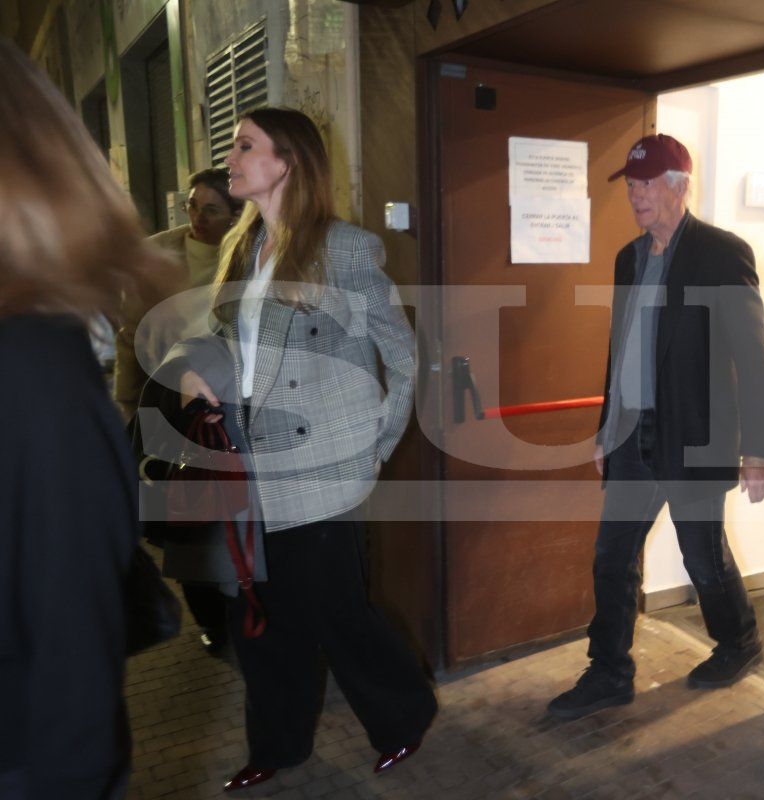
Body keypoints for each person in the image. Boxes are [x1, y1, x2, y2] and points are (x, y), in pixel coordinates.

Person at [155, 106, 437, 792]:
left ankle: (404, 714)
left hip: (325, 469)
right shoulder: (240, 248)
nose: (231, 156)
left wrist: (375, 447)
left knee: (337, 612)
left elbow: (402, 357)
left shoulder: (343, 249)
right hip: (253, 463)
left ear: (285, 162)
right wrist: (198, 369)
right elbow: (230, 344)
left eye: (244, 145)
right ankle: (278, 744)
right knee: (261, 619)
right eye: (233, 146)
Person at [548, 134, 764, 719]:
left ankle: (739, 642)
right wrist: (606, 426)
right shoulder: (629, 257)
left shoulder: (722, 253)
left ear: (680, 187)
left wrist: (758, 450)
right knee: (611, 556)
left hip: (694, 433)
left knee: (703, 557)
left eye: (646, 183)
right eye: (630, 184)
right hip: (631, 436)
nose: (635, 195)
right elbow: (618, 348)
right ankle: (609, 672)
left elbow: (753, 357)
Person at [0, 36, 172, 798]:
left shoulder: (31, 367)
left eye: (248, 145)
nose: (230, 165)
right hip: (149, 413)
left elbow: (71, 660)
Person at [116, 168, 244, 655]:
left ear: (235, 215)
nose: (196, 218)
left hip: (228, 412)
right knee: (181, 523)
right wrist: (128, 405)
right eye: (191, 206)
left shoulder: (250, 256)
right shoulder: (157, 255)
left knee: (228, 519)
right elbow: (131, 337)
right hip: (166, 408)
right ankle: (211, 620)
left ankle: (241, 607)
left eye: (210, 209)